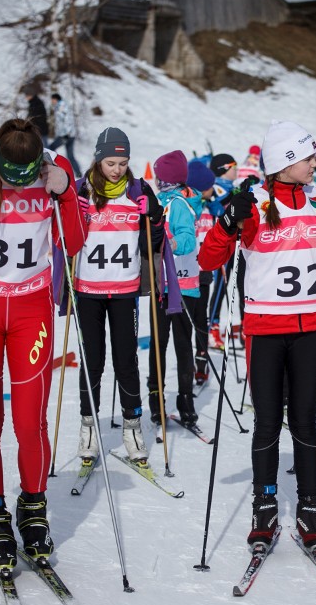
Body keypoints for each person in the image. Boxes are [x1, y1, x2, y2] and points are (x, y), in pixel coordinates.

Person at [198, 120, 316, 552]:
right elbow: (208, 259)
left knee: (306, 419)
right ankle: (265, 504)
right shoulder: (254, 203)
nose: (315, 163)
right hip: (266, 330)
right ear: (286, 161)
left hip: (311, 328)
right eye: (308, 157)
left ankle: (310, 506)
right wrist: (227, 222)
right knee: (269, 421)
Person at [0, 118, 87, 572]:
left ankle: (33, 507)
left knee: (30, 422)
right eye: (11, 176)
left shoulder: (53, 169)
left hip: (31, 311)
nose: (19, 184)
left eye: (26, 177)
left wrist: (66, 191)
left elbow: (75, 241)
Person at [72, 127, 164, 464]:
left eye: (123, 163)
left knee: (126, 361)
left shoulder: (138, 189)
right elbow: (65, 237)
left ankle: (132, 427)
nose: (117, 169)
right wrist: (73, 211)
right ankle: (88, 426)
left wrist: (153, 215)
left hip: (125, 290)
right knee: (92, 361)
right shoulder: (81, 189)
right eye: (111, 163)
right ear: (98, 159)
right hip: (88, 290)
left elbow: (154, 242)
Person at [148, 150, 201, 426]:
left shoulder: (179, 203)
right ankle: (156, 397)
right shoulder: (160, 201)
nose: (156, 181)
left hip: (181, 285)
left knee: (181, 343)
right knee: (158, 343)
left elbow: (187, 239)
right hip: (162, 284)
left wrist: (171, 243)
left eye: (159, 176)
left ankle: (185, 397)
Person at [186, 159, 217, 386]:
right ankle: (188, 361)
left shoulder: (208, 208)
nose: (213, 189)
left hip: (204, 272)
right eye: (209, 186)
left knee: (201, 318)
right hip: (188, 272)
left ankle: (201, 360)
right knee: (188, 319)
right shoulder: (187, 207)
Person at [207, 153, 237, 351]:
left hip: (233, 242)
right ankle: (212, 327)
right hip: (221, 244)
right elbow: (217, 208)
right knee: (219, 286)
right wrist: (235, 197)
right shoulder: (216, 186)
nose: (237, 170)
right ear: (224, 169)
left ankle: (216, 326)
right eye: (233, 166)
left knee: (226, 285)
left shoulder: (229, 187)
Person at [48, 93, 81, 178]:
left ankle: (54, 169)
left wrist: (67, 134)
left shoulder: (61, 107)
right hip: (69, 135)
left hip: (65, 135)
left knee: (50, 148)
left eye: (52, 99)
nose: (52, 101)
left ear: (56, 99)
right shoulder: (60, 107)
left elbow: (68, 120)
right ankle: (78, 173)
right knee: (70, 156)